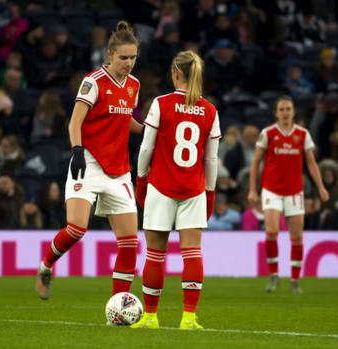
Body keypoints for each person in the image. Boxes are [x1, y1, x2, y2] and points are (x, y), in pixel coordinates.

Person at [36, 21, 144, 302]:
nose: (129, 63)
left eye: (133, 58)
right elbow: (75, 122)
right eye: (123, 58)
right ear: (109, 54)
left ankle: (119, 305)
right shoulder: (93, 82)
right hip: (88, 161)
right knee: (76, 229)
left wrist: (151, 129)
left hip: (119, 170)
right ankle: (46, 266)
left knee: (130, 242)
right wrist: (77, 150)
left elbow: (124, 119)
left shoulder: (133, 85)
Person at [130, 51, 220, 330]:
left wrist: (141, 180)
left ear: (175, 74)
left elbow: (146, 147)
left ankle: (150, 317)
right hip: (193, 188)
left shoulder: (161, 103)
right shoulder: (210, 110)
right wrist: (210, 192)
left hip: (160, 185)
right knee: (192, 252)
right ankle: (189, 318)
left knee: (155, 254)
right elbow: (212, 159)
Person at [248, 95, 329, 294]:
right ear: (276, 113)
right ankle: (274, 275)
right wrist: (252, 189)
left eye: (288, 109)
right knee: (272, 231)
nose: (285, 113)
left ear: (293, 112)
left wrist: (321, 187)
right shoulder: (268, 133)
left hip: (294, 191)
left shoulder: (302, 134)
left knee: (297, 237)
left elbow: (311, 163)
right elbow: (256, 163)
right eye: (282, 109)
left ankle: (294, 280)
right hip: (272, 190)